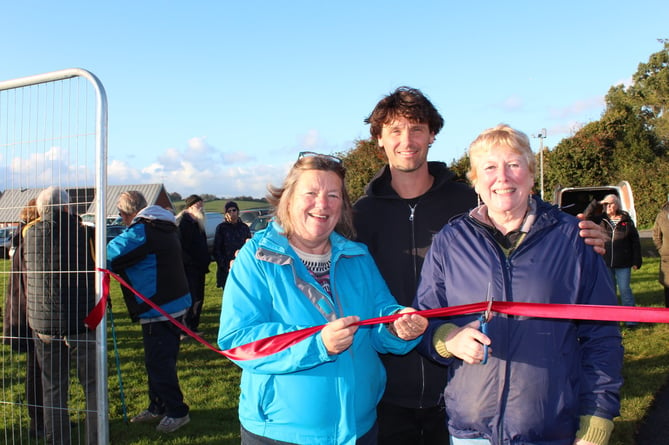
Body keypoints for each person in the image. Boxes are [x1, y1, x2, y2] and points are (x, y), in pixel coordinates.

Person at [353, 86, 609, 445]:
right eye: (394, 130)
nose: (406, 140)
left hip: (467, 393)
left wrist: (593, 238)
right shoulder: (359, 215)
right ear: (379, 139)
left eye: (416, 128)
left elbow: (594, 321)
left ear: (432, 135)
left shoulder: (466, 202)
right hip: (389, 389)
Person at [414, 124, 623, 445]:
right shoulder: (449, 242)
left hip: (551, 429)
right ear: (475, 181)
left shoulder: (574, 239)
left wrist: (597, 416)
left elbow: (602, 335)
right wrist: (448, 339)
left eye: (513, 164)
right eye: (489, 167)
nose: (503, 177)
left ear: (530, 174)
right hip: (472, 433)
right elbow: (425, 320)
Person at [217, 152, 428, 445]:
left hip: (360, 428)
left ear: (342, 207)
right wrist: (318, 344)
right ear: (288, 199)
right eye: (311, 193)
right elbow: (239, 341)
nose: (322, 203)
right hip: (281, 433)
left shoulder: (358, 256)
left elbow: (381, 316)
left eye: (333, 195)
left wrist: (398, 328)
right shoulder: (256, 259)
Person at [107, 190, 192, 433]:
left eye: (122, 215)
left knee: (158, 362)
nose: (122, 219)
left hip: (159, 305)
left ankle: (177, 411)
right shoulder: (163, 224)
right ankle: (158, 406)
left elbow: (109, 254)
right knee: (161, 359)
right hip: (174, 302)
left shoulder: (142, 231)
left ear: (127, 213)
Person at [23, 186, 98, 445]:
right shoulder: (86, 233)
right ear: (68, 207)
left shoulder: (29, 234)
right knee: (92, 386)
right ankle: (95, 437)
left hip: (44, 322)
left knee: (53, 388)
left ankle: (58, 440)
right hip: (82, 321)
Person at [2, 198, 44, 438]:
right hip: (30, 312)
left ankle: (46, 417)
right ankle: (38, 421)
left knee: (39, 368)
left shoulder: (24, 235)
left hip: (26, 309)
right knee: (36, 369)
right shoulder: (31, 238)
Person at [600, 193, 642, 327]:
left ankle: (631, 319)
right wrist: (598, 204)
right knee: (609, 292)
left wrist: (636, 261)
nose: (608, 207)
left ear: (617, 205)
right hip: (606, 262)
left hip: (623, 262)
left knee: (624, 290)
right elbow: (586, 216)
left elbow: (635, 242)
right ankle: (612, 320)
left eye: (610, 204)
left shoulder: (626, 221)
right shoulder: (602, 220)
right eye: (606, 204)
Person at [177, 194, 210, 335]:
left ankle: (193, 326)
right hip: (189, 267)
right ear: (190, 206)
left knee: (199, 297)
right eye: (198, 205)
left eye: (201, 205)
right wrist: (190, 262)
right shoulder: (183, 223)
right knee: (190, 297)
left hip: (200, 267)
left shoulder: (198, 223)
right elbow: (181, 247)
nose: (201, 207)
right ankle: (184, 328)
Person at [213, 200, 251, 289]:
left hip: (242, 265)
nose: (232, 213)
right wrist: (224, 265)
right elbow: (217, 249)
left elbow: (249, 245)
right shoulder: (221, 228)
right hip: (226, 266)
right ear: (226, 214)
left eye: (234, 210)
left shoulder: (244, 227)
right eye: (229, 211)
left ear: (237, 211)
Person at [652, 199, 669, 307]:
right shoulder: (662, 216)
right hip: (667, 258)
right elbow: (656, 235)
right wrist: (661, 249)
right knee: (668, 286)